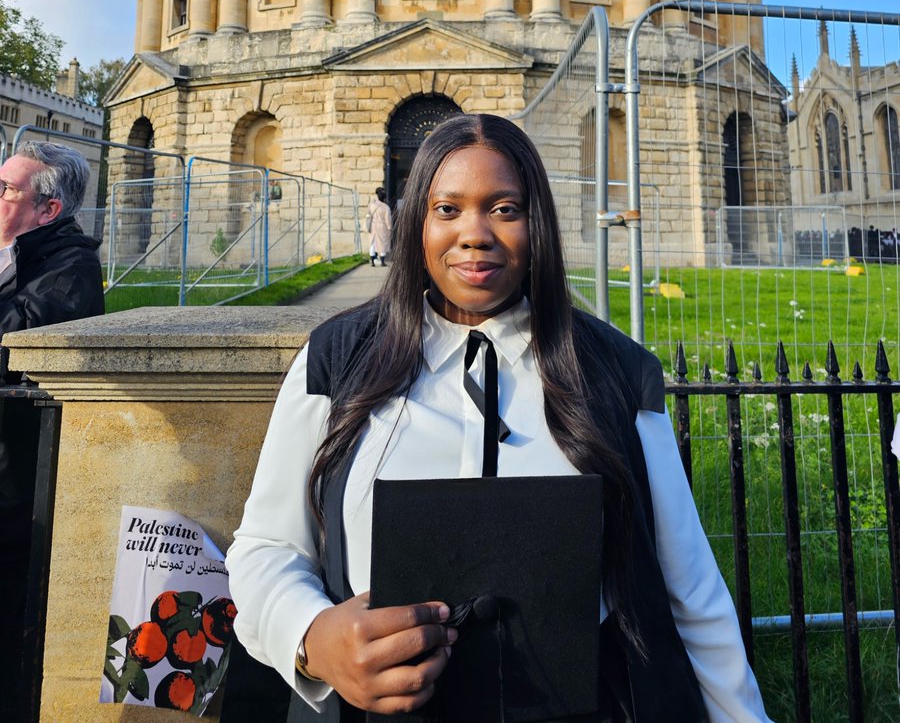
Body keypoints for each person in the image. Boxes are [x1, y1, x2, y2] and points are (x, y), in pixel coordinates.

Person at [227, 114, 772, 722]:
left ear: (537, 223)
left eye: (505, 208)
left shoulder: (618, 372)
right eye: (448, 209)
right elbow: (266, 549)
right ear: (416, 224)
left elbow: (690, 588)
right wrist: (314, 639)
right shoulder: (337, 359)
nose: (475, 234)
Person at [0, 140, 105, 723]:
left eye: (8, 189)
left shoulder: (69, 266)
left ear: (48, 211)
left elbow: (16, 341)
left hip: (17, 479)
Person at [364, 185, 391, 267]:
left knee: (372, 243)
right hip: (382, 226)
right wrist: (390, 228)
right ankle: (382, 261)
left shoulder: (371, 205)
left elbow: (367, 214)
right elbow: (388, 219)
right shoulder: (386, 207)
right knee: (383, 243)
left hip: (373, 225)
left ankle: (372, 261)